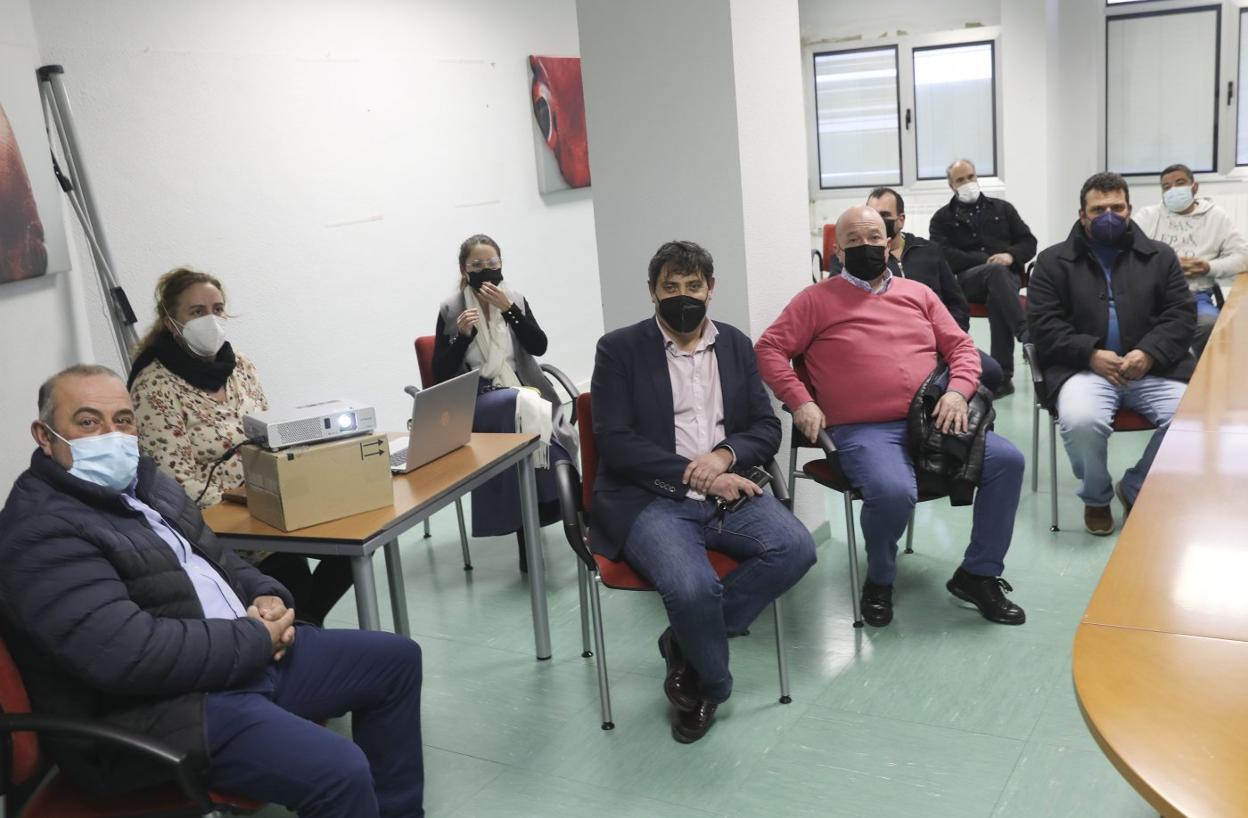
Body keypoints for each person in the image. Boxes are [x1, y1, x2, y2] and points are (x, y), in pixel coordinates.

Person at [0, 365, 424, 818]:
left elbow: (217, 560)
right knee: (340, 770)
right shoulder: (41, 531)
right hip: (153, 712)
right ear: (44, 437)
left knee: (394, 661)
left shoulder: (146, 482)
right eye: (87, 422)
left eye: (123, 420)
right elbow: (129, 654)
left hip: (231, 663)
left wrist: (267, 595)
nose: (112, 435)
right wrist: (258, 638)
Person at [756, 206, 1026, 629]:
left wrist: (958, 392)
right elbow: (769, 349)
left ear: (889, 242)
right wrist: (800, 400)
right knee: (892, 489)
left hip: (932, 419)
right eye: (854, 242)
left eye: (874, 239)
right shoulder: (815, 300)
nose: (866, 248)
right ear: (838, 251)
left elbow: (961, 349)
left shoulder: (917, 294)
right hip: (863, 429)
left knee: (1008, 461)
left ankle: (979, 574)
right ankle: (880, 579)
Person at [590, 240, 816, 743]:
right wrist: (698, 474)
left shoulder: (734, 344)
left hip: (730, 489)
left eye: (694, 286)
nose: (683, 295)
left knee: (796, 548)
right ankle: (712, 684)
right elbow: (616, 442)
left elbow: (764, 426)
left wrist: (723, 458)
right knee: (692, 588)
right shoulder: (618, 349)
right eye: (670, 286)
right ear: (652, 292)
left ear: (711, 290)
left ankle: (685, 643)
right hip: (649, 498)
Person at [129, 267, 353, 627]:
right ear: (171, 322)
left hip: (269, 506)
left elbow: (267, 435)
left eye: (217, 309)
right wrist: (247, 507)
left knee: (350, 545)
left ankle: (302, 627)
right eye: (197, 312)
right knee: (288, 575)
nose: (211, 319)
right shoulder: (154, 385)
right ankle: (298, 630)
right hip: (222, 526)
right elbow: (173, 482)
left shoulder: (240, 366)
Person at [1028, 172, 1195, 536]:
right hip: (1084, 370)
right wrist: (1090, 354)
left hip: (1152, 369)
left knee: (1193, 421)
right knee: (1082, 421)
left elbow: (1181, 317)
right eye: (1098, 209)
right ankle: (1097, 497)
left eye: (1116, 207)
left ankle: (1135, 486)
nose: (1109, 215)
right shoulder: (1053, 261)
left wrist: (1148, 353)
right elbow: (1043, 325)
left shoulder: (1160, 256)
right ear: (1082, 214)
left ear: (1129, 209)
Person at [433, 234, 576, 571]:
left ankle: (540, 523)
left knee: (532, 424)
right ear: (464, 270)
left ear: (501, 265)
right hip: (476, 397)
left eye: (492, 264)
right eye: (477, 266)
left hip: (523, 391)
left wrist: (509, 311)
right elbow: (439, 373)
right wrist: (462, 337)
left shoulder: (514, 299)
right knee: (520, 407)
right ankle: (549, 516)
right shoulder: (452, 309)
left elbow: (538, 347)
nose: (486, 271)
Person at [863, 186, 1004, 394]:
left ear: (901, 220)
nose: (878, 221)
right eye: (872, 215)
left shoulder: (930, 251)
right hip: (895, 349)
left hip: (941, 342)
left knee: (991, 371)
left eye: (884, 215)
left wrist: (950, 340)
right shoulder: (865, 259)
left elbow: (957, 303)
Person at [929, 159, 1036, 397]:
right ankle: (1027, 334)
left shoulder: (1003, 209)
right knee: (995, 274)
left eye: (970, 177)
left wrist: (1010, 255)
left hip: (1005, 279)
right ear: (951, 185)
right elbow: (942, 255)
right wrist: (984, 260)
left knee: (998, 292)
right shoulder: (942, 218)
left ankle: (1002, 379)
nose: (967, 183)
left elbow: (1029, 242)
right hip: (967, 282)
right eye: (960, 180)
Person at [1132, 163, 1248, 357]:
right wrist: (1163, 267)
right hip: (1152, 297)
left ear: (1194, 187)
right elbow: (1127, 255)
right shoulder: (1148, 216)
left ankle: (1204, 379)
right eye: (1166, 187)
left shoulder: (1215, 217)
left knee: (1210, 326)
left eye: (1179, 183)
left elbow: (1243, 257)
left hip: (1195, 296)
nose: (1173, 190)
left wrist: (1208, 267)